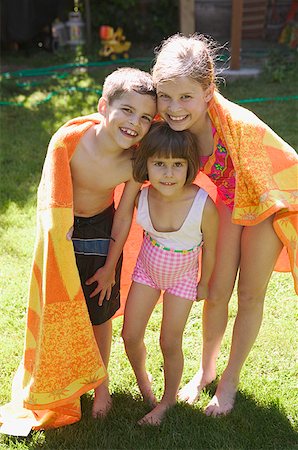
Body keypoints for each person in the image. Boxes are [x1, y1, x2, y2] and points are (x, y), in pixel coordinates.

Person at [151, 33, 298, 417]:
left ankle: (229, 382)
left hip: (264, 200)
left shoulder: (237, 125)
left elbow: (284, 162)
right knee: (216, 290)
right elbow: (123, 122)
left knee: (249, 294)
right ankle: (206, 370)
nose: (174, 108)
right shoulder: (161, 117)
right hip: (230, 200)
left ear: (208, 89)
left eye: (186, 98)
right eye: (166, 96)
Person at [67, 67, 156, 418]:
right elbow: (51, 189)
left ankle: (101, 385)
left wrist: (109, 266)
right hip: (63, 229)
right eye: (128, 111)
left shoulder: (132, 163)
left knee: (100, 313)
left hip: (102, 232)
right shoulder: (72, 142)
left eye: (146, 117)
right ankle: (68, 376)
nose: (135, 123)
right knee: (64, 304)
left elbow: (123, 215)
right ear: (104, 107)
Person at [122, 121, 218, 425]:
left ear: (189, 166)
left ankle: (167, 401)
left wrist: (204, 282)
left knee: (169, 341)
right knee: (130, 334)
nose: (168, 173)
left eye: (178, 164)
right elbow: (123, 212)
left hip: (183, 278)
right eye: (159, 163)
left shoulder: (203, 205)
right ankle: (143, 381)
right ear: (146, 164)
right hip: (147, 272)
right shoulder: (143, 196)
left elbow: (212, 249)